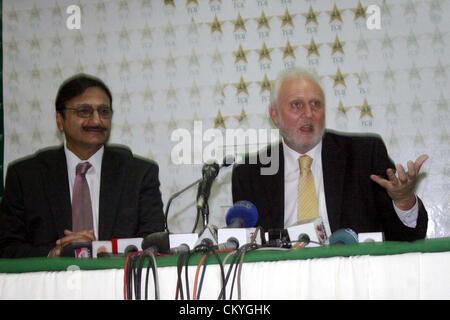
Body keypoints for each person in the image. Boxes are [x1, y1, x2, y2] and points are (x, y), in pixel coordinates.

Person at [232, 67, 428, 241]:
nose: (309, 113)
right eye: (297, 105)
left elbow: (408, 237)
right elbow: (247, 249)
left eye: (316, 104)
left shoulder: (364, 155)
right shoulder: (250, 174)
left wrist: (403, 201)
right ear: (275, 115)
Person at [0, 74, 165, 258]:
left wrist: (101, 251)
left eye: (104, 112)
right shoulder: (26, 176)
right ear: (59, 120)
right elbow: (7, 247)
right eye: (84, 111)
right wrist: (53, 254)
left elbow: (153, 244)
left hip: (115, 282)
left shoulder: (139, 174)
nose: (96, 121)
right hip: (49, 283)